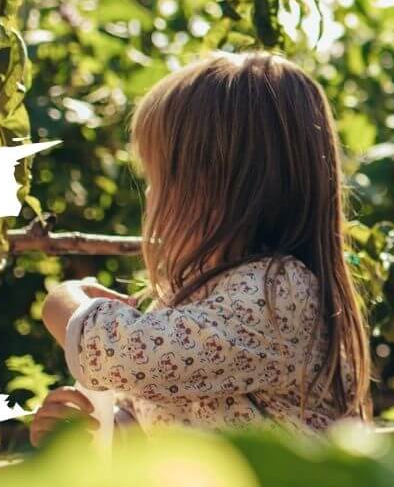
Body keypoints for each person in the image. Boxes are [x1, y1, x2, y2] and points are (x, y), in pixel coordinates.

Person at [29, 52, 371, 445]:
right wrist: (93, 428)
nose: (152, 195)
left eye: (157, 178)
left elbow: (127, 355)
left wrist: (63, 302)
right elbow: (160, 415)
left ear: (213, 187)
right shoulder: (191, 297)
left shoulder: (277, 293)